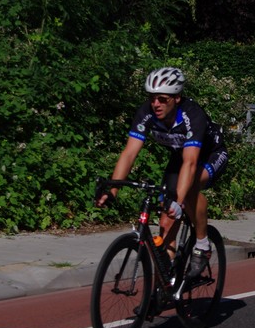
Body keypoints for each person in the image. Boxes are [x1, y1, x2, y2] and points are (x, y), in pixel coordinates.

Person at [95, 67, 227, 278]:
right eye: (152, 98)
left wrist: (178, 202)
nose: (156, 104)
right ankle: (165, 285)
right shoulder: (146, 113)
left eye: (162, 99)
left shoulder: (192, 115)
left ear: (176, 98)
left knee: (189, 190)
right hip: (180, 157)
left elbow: (191, 163)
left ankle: (202, 245)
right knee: (166, 224)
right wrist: (113, 190)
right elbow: (129, 153)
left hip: (209, 154)